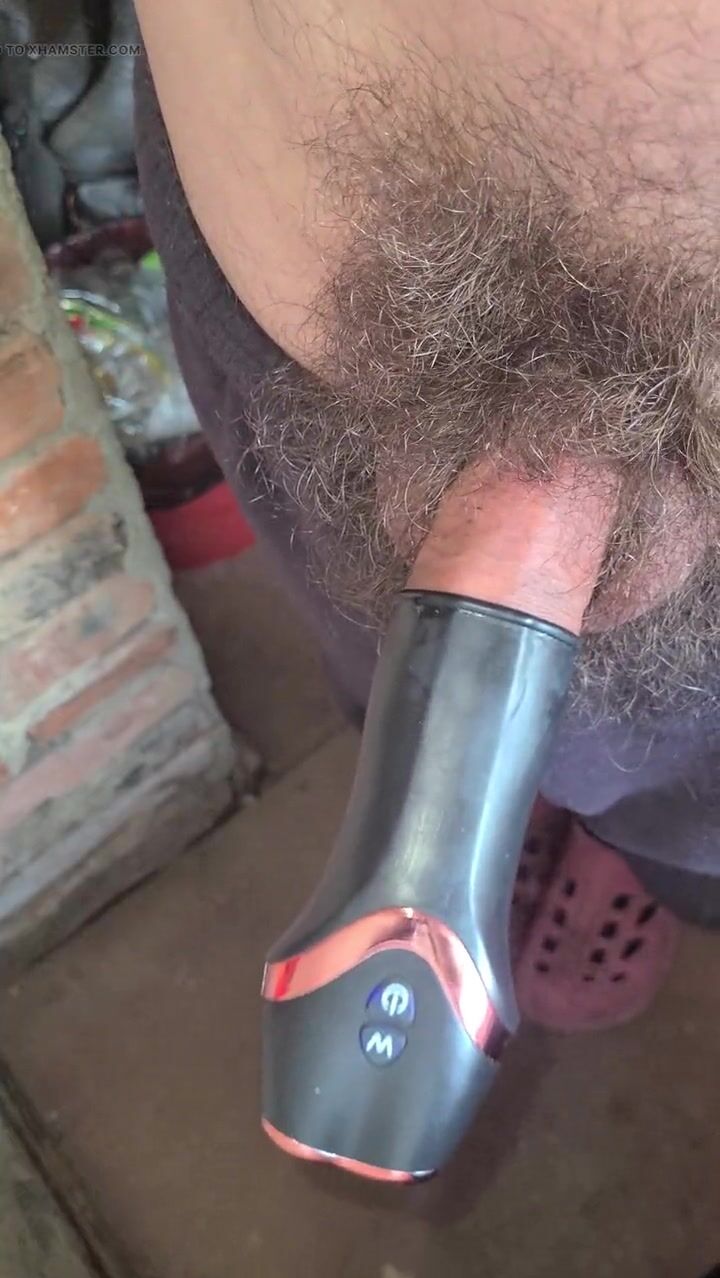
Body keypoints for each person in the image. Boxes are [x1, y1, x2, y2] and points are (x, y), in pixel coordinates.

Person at [132, 0, 720, 1031]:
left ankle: (623, 843)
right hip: (289, 300)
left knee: (687, 804)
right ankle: (479, 809)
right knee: (381, 676)